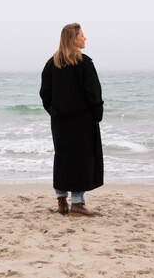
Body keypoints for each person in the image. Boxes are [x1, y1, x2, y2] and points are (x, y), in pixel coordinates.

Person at [39, 23, 104, 217]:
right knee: (82, 159)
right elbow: (93, 93)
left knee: (63, 158)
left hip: (60, 121)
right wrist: (97, 114)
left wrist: (55, 112)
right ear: (73, 38)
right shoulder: (84, 63)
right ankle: (77, 204)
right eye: (82, 35)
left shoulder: (52, 63)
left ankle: (61, 202)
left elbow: (45, 94)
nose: (85, 38)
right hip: (82, 121)